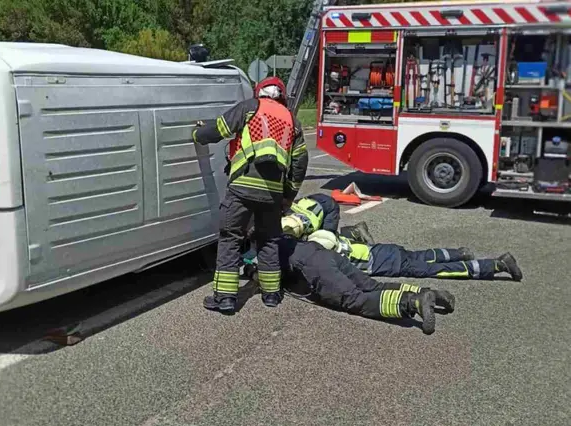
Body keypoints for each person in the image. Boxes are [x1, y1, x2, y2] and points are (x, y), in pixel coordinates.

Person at [192, 77, 308, 312]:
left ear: (259, 92)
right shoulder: (292, 121)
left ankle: (225, 298)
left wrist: (198, 133)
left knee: (230, 237)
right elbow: (300, 163)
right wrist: (289, 195)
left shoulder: (249, 108)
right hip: (273, 194)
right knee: (269, 241)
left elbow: (219, 129)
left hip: (242, 188)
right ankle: (272, 295)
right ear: (282, 96)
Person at [236, 235, 456, 335]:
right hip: (323, 253)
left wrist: (253, 274)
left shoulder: (256, 255)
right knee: (373, 285)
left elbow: (265, 280)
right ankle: (429, 293)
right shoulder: (273, 231)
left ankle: (412, 303)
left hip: (314, 268)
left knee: (355, 300)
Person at [307, 230, 523, 282]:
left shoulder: (336, 258)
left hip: (393, 264)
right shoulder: (338, 240)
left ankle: (496, 265)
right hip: (386, 249)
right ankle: (460, 252)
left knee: (438, 271)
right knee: (423, 255)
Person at [279, 193, 374, 244]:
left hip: (329, 208)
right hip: (312, 201)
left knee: (327, 243)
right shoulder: (284, 216)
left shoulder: (303, 229)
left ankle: (356, 231)